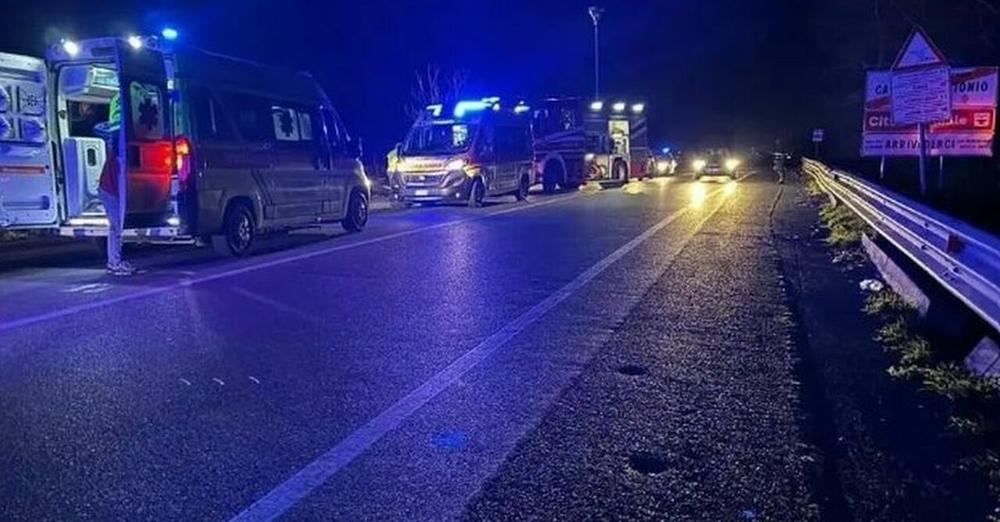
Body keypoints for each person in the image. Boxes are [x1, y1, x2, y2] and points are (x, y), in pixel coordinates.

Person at [94, 94, 135, 276]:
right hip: (109, 191)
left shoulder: (119, 157)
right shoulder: (120, 160)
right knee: (117, 227)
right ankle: (114, 263)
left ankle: (115, 261)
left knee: (116, 227)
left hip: (108, 190)